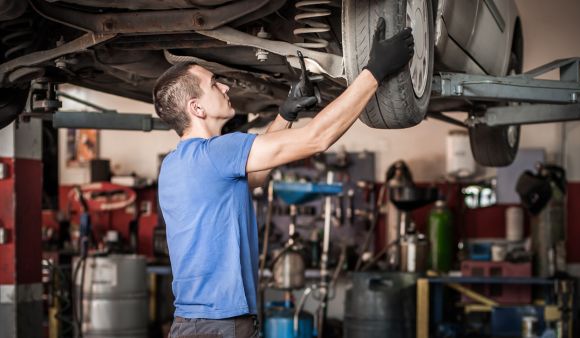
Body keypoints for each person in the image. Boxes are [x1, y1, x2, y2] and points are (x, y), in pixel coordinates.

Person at [153, 18, 414, 338]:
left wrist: (286, 114)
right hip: (220, 326)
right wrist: (375, 71)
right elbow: (317, 139)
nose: (225, 87)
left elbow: (256, 175)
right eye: (213, 84)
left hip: (192, 323)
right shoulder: (217, 153)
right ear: (197, 108)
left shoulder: (176, 165)